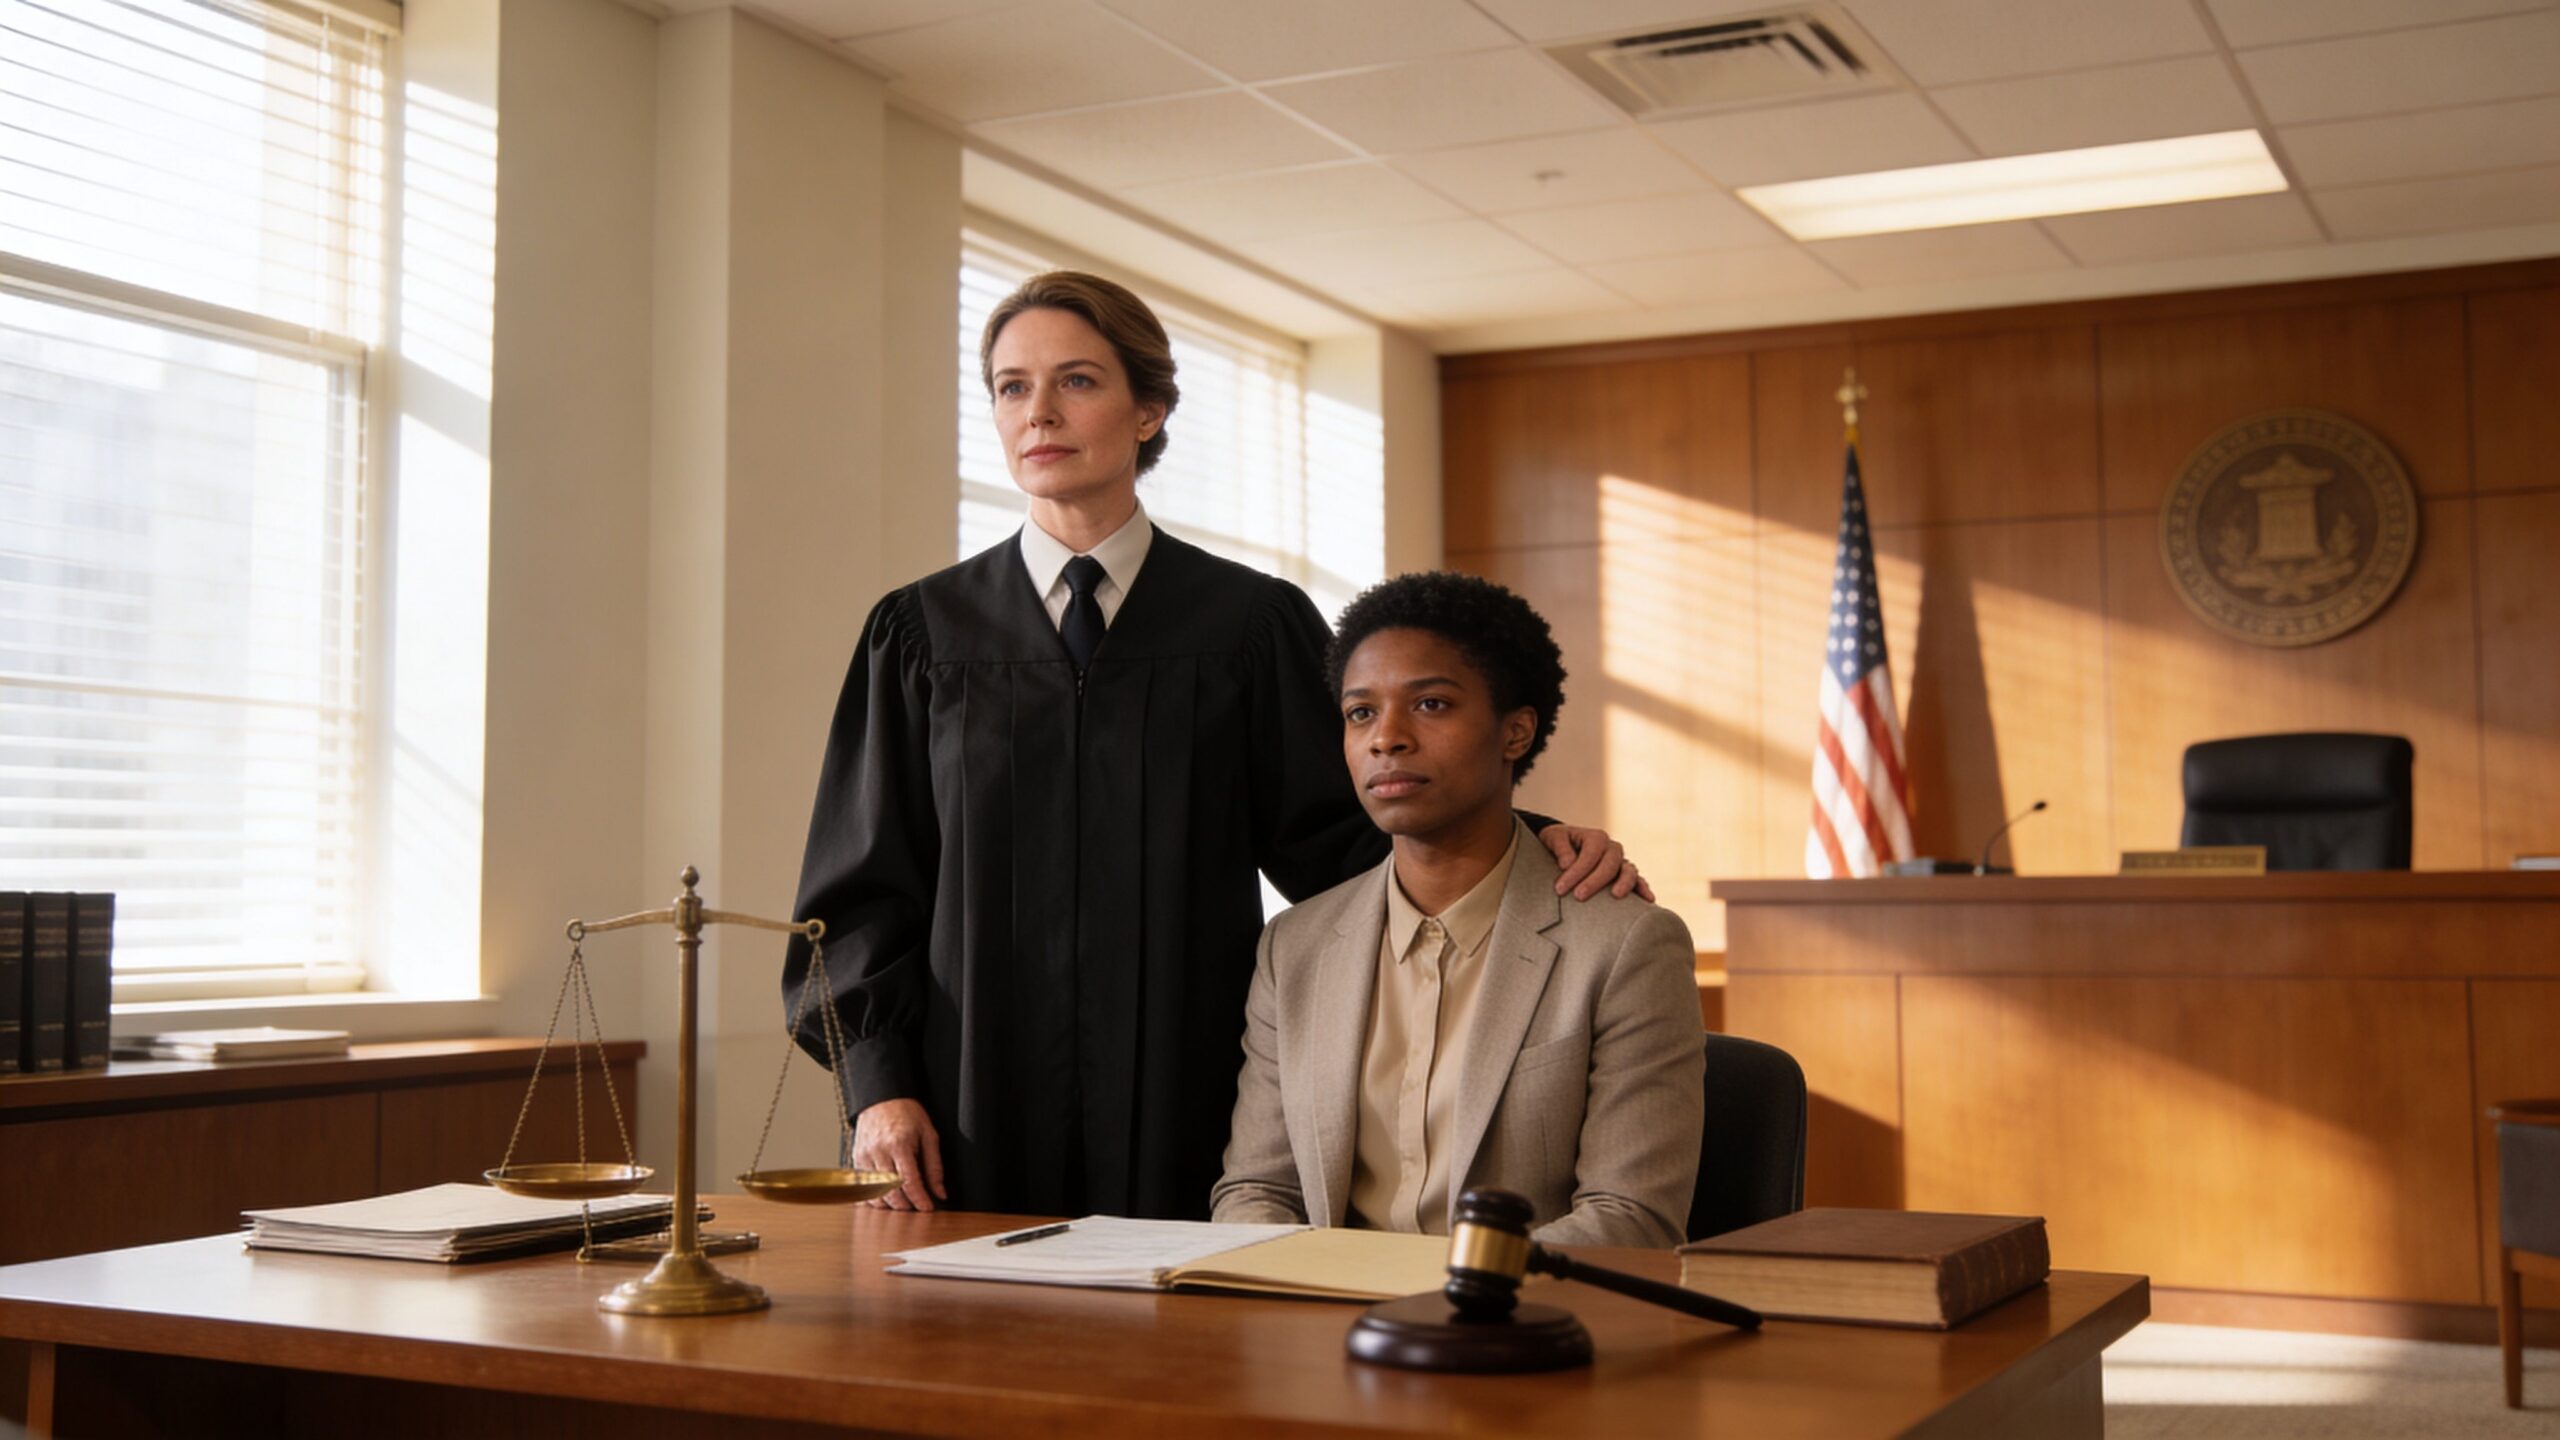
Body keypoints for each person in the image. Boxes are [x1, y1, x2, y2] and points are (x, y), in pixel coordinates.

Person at [783, 271, 1645, 1221]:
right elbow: (856, 899)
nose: (1039, 414)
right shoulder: (919, 637)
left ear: (1148, 409)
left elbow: (1354, 837)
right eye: (1011, 387)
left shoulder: (1247, 627)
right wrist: (877, 1084)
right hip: (952, 1117)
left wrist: (1533, 841)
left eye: (1076, 381)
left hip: (1193, 1099)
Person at [1211, 572, 1703, 1247]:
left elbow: (1631, 1216)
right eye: (1361, 713)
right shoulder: (1292, 948)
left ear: (1516, 732)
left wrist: (1449, 1296)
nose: (1387, 738)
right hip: (1325, 1325)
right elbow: (1256, 1191)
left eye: (1432, 705)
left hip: (1519, 1327)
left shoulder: (1627, 945)